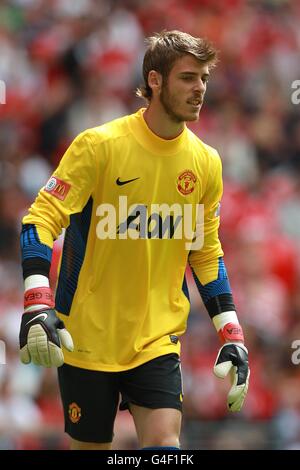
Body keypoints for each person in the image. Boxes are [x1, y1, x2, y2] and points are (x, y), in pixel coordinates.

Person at [19, 30, 250, 450]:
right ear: (155, 81)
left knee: (165, 449)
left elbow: (205, 251)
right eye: (187, 77)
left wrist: (231, 334)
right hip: (85, 337)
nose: (199, 88)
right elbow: (39, 220)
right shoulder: (99, 146)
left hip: (157, 339)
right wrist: (37, 302)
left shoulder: (206, 162)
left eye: (203, 78)